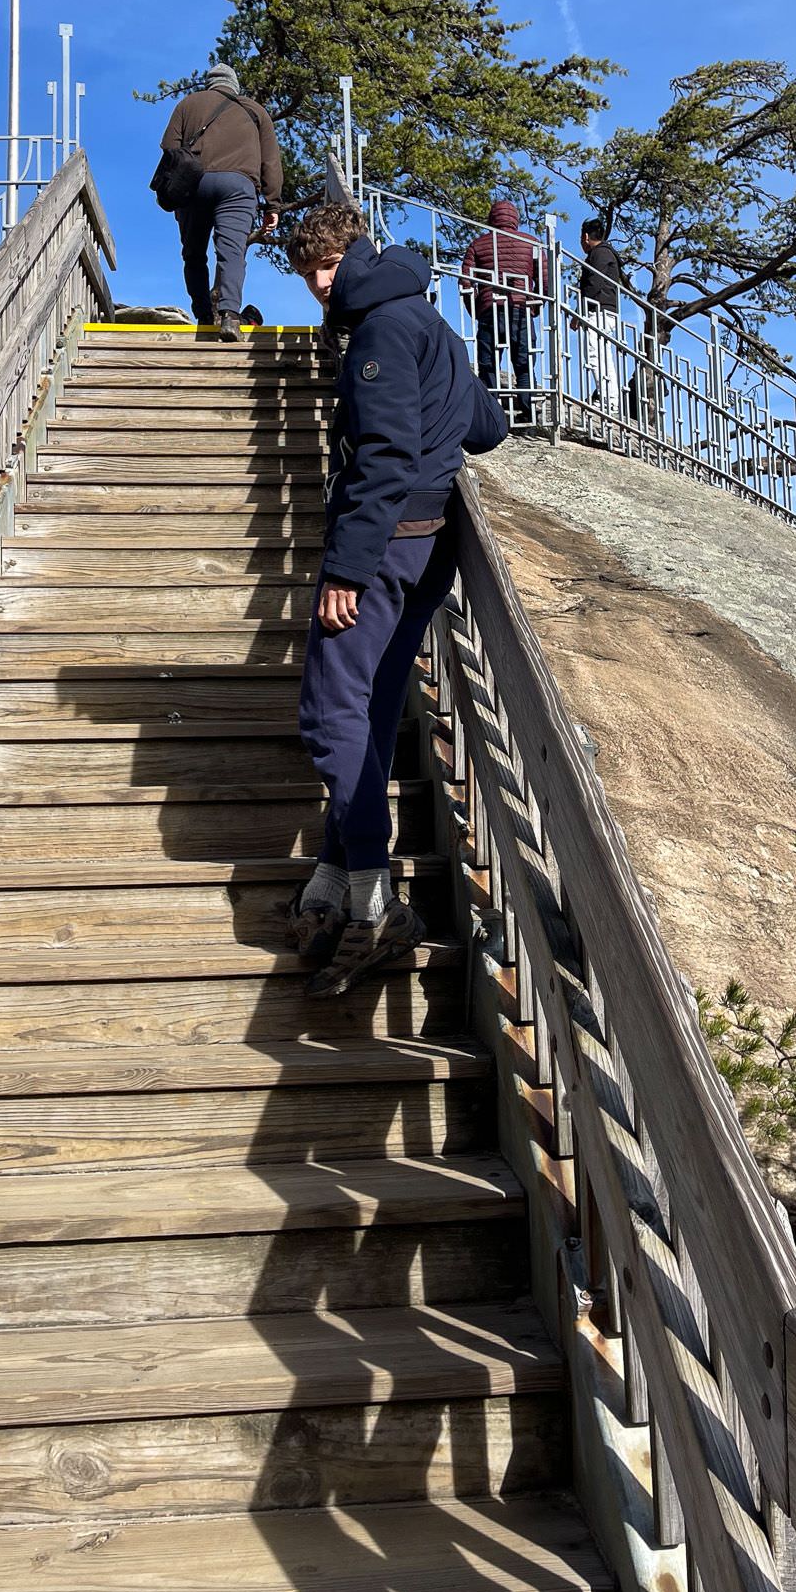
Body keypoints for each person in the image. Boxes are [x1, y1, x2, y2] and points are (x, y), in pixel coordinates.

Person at [281, 201, 507, 997]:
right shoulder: (428, 320)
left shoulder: (377, 331)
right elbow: (487, 425)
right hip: (429, 543)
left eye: (327, 265)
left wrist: (346, 568)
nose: (316, 282)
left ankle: (378, 900)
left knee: (329, 713)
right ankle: (336, 876)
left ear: (357, 254)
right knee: (373, 708)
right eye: (305, 270)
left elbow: (381, 454)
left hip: (382, 547)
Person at [157, 64, 283, 341]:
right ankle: (229, 316)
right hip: (238, 187)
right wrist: (273, 204)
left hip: (194, 184)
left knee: (194, 254)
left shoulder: (188, 103)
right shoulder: (255, 111)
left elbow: (168, 146)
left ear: (210, 83)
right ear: (234, 85)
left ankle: (202, 316)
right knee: (232, 252)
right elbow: (271, 162)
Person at [458, 199, 546, 427]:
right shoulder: (531, 243)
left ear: (492, 218)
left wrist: (476, 310)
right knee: (524, 364)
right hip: (521, 309)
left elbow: (466, 283)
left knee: (488, 366)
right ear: (515, 219)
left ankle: (490, 418)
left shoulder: (478, 244)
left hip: (490, 309)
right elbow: (545, 280)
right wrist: (536, 303)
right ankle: (528, 417)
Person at [577, 217, 624, 426]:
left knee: (597, 355)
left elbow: (593, 283)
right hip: (606, 310)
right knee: (604, 357)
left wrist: (580, 311)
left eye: (581, 237)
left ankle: (609, 402)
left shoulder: (599, 254)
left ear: (586, 236)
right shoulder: (607, 253)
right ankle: (609, 400)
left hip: (599, 311)